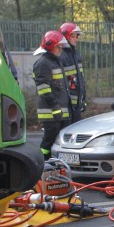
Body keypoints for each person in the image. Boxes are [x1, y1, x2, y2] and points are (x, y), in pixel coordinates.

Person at [32, 31, 72, 160]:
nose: (61, 49)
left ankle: (55, 167)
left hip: (60, 111)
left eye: (61, 46)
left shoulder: (56, 61)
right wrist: (55, 108)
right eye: (58, 47)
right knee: (48, 142)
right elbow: (44, 89)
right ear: (50, 46)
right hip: (50, 113)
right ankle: (41, 164)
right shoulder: (43, 63)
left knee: (59, 142)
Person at [59, 22, 87, 123]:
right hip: (67, 105)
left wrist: (83, 99)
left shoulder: (75, 53)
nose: (76, 39)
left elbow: (80, 78)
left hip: (76, 105)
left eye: (76, 36)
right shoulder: (62, 55)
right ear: (66, 37)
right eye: (73, 36)